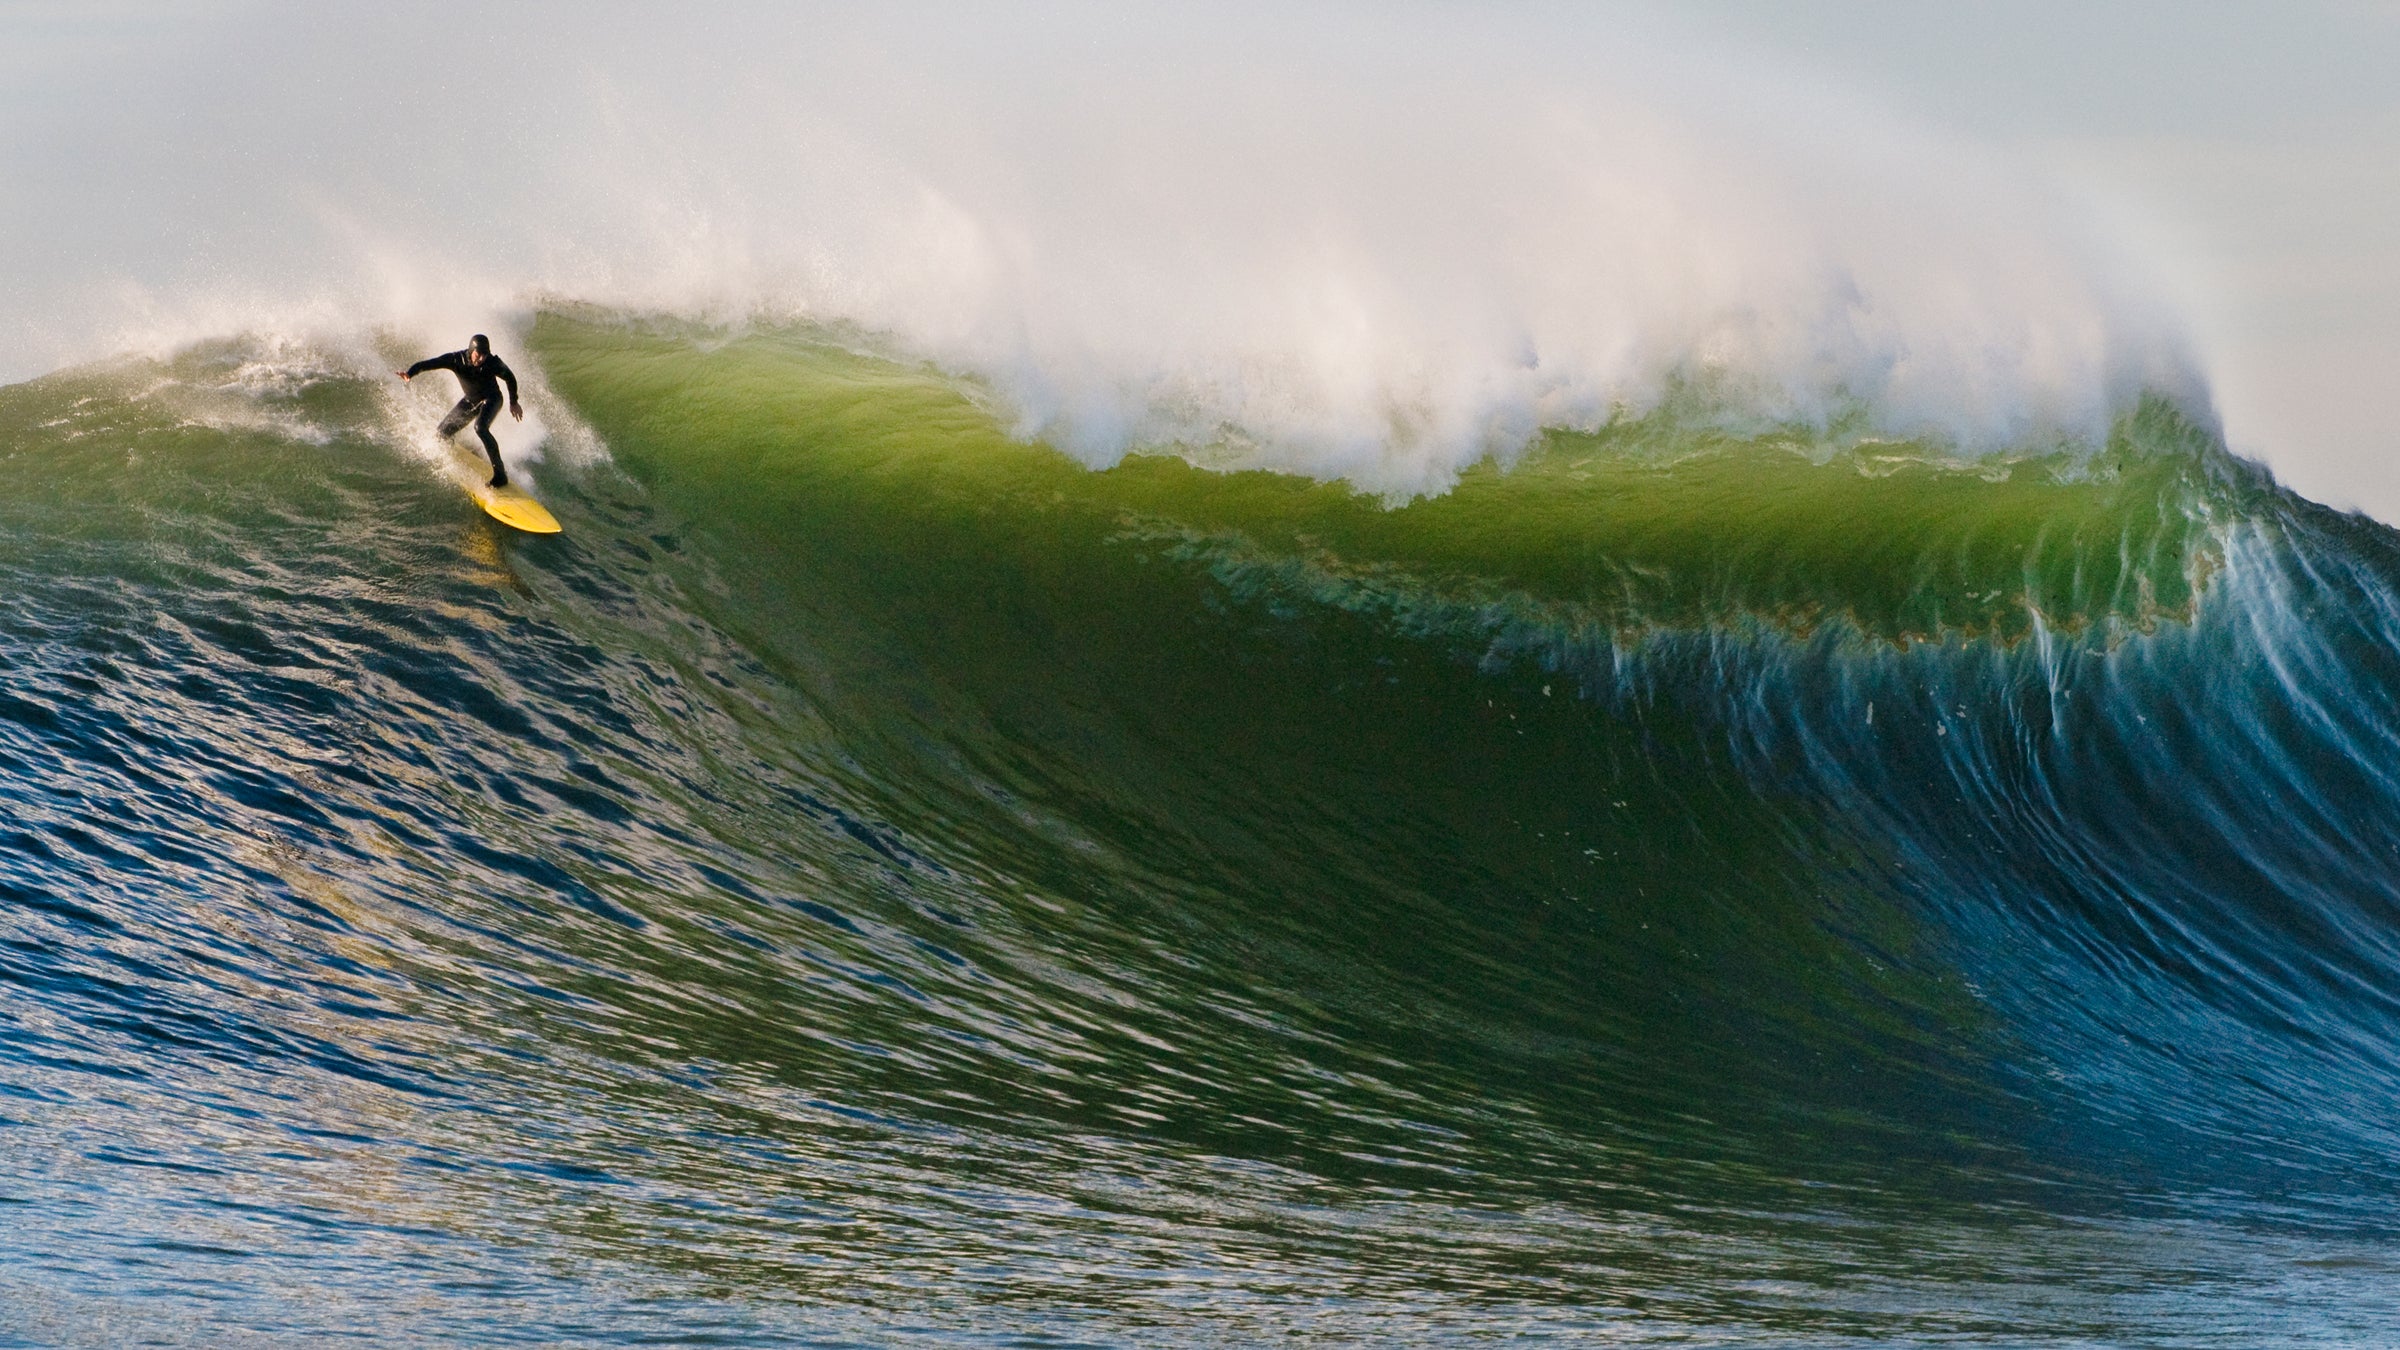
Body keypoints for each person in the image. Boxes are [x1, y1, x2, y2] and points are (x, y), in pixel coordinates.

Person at [397, 334, 523, 488]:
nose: (482, 358)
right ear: (471, 350)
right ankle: (468, 449)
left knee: (480, 428)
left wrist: (514, 402)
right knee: (441, 434)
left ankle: (500, 475)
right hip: (471, 400)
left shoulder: (492, 362)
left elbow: (510, 378)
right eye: (479, 354)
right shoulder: (456, 360)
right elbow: (429, 364)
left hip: (492, 399)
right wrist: (410, 373)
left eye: (485, 354)